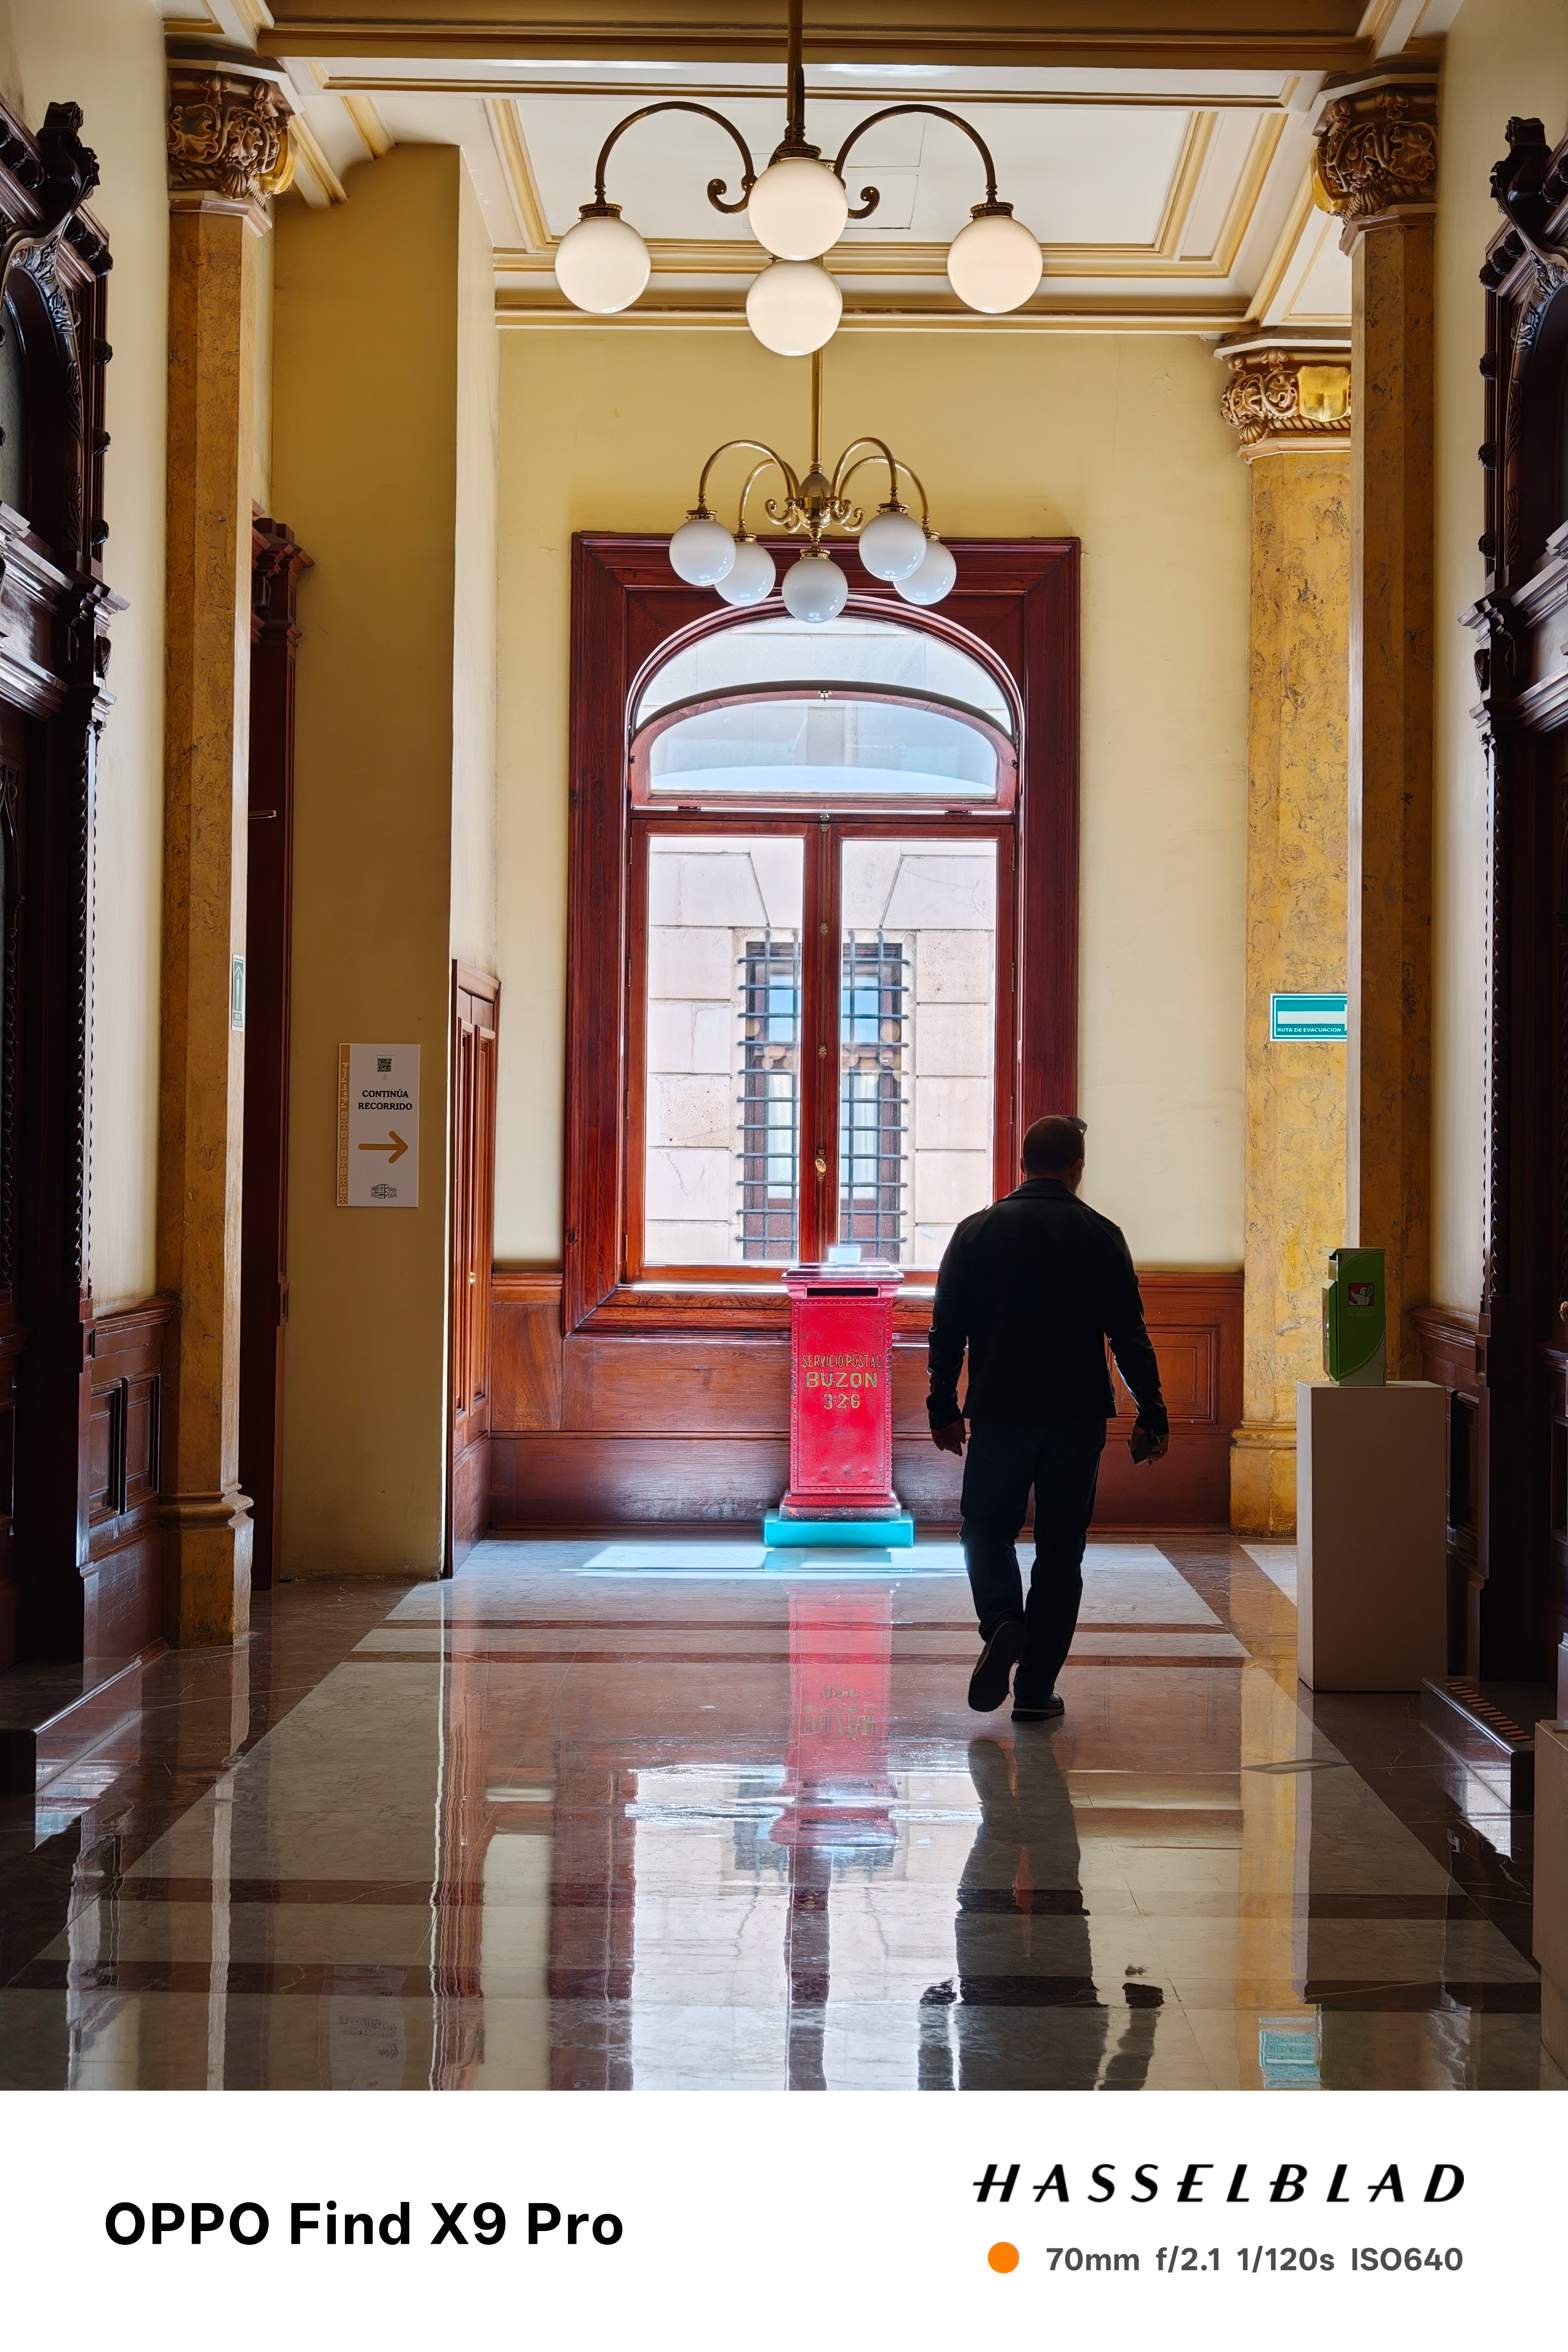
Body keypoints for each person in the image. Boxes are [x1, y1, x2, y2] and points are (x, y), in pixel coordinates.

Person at [927, 1114, 1168, 1723]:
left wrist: (943, 1406)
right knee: (1062, 1550)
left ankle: (1004, 1620)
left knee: (985, 1530)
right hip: (1076, 1417)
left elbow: (947, 1332)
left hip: (1001, 1414)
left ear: (1022, 1164)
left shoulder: (975, 1232)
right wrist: (1153, 1411)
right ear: (1076, 1168)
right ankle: (1035, 1691)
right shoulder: (1101, 1234)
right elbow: (1129, 1337)